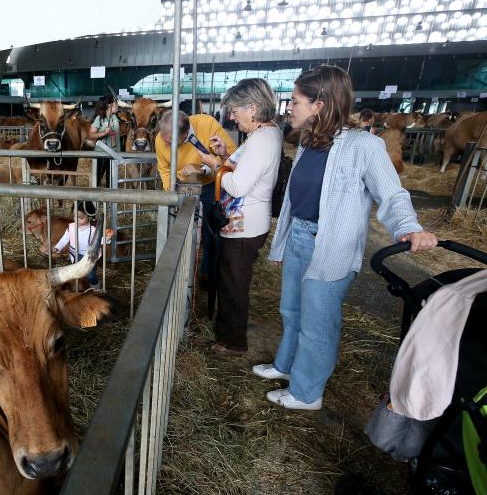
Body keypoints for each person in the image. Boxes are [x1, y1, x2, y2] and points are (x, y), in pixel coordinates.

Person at [254, 65, 438, 410]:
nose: (289, 108)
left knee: (317, 324)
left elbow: (392, 194)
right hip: (299, 238)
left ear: (319, 105)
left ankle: (307, 393)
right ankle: (286, 366)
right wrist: (282, 243)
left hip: (331, 246)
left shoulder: (363, 146)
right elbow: (296, 200)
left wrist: (408, 227)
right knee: (291, 311)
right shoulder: (309, 144)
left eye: (294, 101)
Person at [194, 79, 283, 356]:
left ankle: (233, 343)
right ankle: (229, 333)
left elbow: (238, 186)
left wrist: (215, 164)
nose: (232, 117)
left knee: (234, 283)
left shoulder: (262, 140)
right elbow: (246, 169)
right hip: (244, 221)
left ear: (253, 108)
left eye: (235, 110)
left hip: (245, 225)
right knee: (231, 278)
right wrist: (226, 154)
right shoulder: (264, 135)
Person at [155, 110, 237, 283]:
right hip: (180, 185)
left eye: (170, 142)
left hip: (210, 184)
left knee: (210, 229)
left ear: (185, 135)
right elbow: (163, 168)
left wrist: (202, 169)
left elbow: (232, 158)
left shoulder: (207, 125)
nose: (164, 143)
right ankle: (180, 275)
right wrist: (171, 192)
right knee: (179, 230)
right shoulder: (160, 139)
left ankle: (207, 272)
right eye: (163, 138)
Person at [50, 201, 112, 291]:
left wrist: (107, 238)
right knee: (75, 273)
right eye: (74, 216)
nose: (76, 219)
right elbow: (64, 239)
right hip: (75, 254)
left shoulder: (94, 229)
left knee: (91, 275)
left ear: (89, 216)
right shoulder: (71, 227)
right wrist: (57, 247)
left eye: (80, 217)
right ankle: (78, 290)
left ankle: (96, 288)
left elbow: (99, 241)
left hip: (90, 256)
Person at [89, 95, 120, 187]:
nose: (117, 105)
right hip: (101, 154)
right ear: (109, 106)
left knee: (111, 181)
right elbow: (90, 135)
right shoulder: (99, 119)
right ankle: (94, 201)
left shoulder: (116, 117)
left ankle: (110, 200)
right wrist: (103, 133)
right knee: (97, 180)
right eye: (115, 103)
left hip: (114, 154)